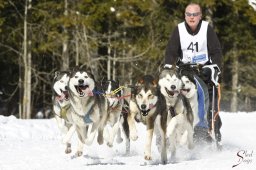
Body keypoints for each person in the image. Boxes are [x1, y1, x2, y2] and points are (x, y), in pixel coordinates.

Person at [164, 3, 222, 148]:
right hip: (183, 69)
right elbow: (171, 51)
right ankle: (166, 127)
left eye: (195, 14)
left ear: (200, 16)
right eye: (188, 14)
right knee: (168, 90)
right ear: (185, 15)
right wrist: (168, 65)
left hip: (203, 70)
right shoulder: (179, 29)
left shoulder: (206, 29)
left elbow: (216, 51)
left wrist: (214, 67)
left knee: (201, 90)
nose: (191, 17)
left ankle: (201, 126)